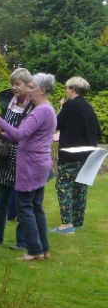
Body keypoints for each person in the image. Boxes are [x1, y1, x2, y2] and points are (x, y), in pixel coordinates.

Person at [0, 73, 56, 261]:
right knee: (36, 207)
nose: (28, 90)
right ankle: (44, 250)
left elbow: (20, 134)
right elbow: (24, 136)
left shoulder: (41, 110)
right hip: (39, 163)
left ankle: (34, 250)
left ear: (42, 90)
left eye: (31, 87)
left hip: (31, 165)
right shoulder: (47, 109)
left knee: (24, 206)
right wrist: (3, 134)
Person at [0, 68, 32, 250]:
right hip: (4, 159)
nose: (14, 87)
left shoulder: (33, 107)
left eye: (17, 84)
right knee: (0, 203)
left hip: (22, 159)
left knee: (23, 204)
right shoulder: (8, 103)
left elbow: (22, 134)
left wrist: (1, 123)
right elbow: (6, 130)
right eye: (12, 84)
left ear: (27, 85)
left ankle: (22, 242)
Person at [51, 77, 101, 234]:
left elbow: (56, 124)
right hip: (89, 155)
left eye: (67, 88)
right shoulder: (88, 107)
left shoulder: (70, 105)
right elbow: (97, 132)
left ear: (72, 89)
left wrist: (61, 108)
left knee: (63, 186)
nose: (66, 91)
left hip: (71, 155)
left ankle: (66, 225)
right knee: (80, 188)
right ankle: (78, 222)